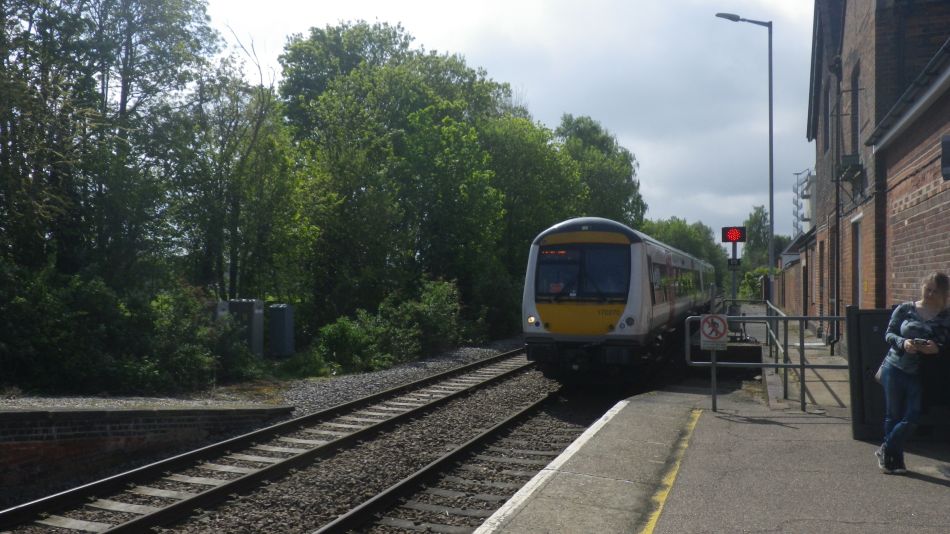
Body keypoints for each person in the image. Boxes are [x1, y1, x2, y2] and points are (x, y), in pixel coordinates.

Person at [877, 272, 950, 474]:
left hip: (922, 371)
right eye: (928, 289)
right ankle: (895, 460)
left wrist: (937, 348)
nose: (930, 294)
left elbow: (947, 343)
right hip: (895, 366)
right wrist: (904, 342)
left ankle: (886, 447)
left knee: (913, 416)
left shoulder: (946, 315)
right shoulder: (905, 309)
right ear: (922, 287)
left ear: (944, 293)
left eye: (935, 291)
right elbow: (889, 334)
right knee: (893, 414)